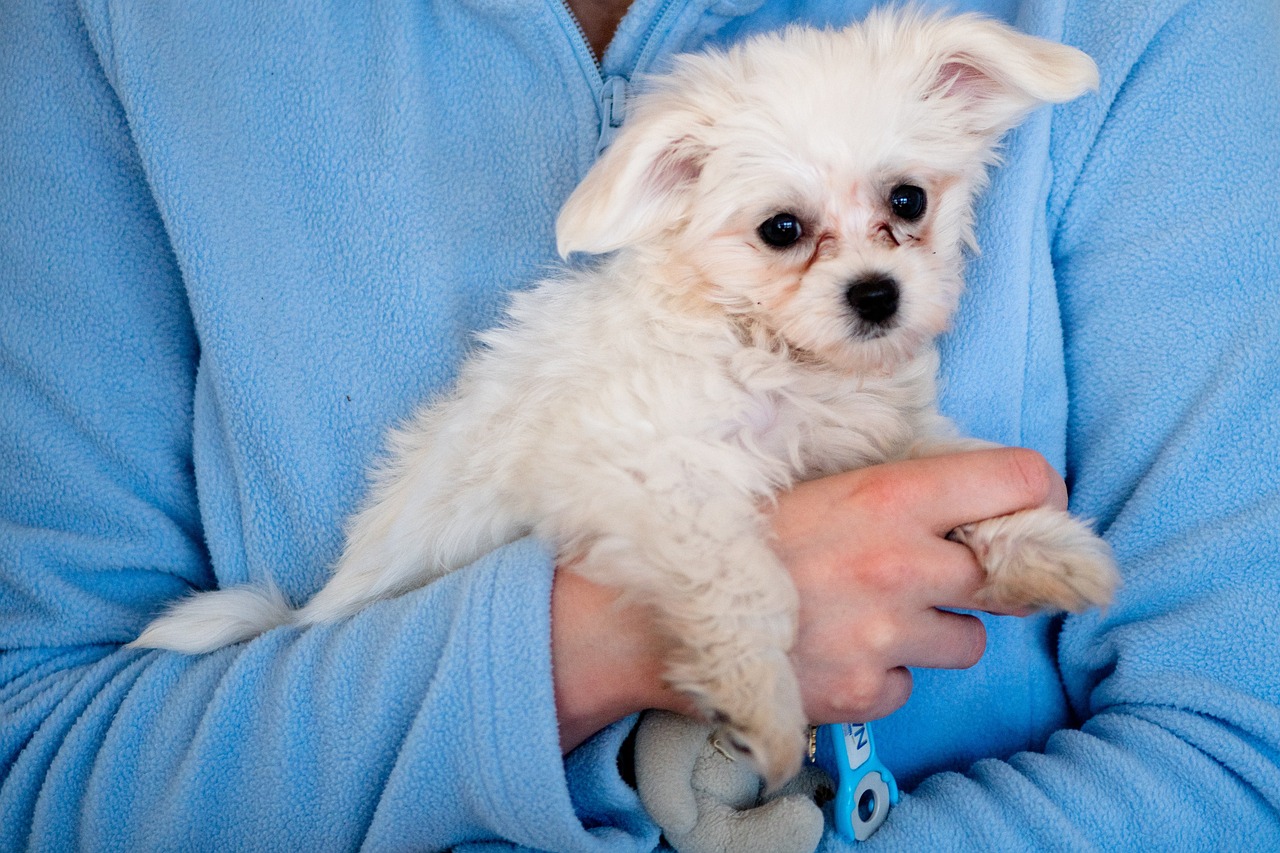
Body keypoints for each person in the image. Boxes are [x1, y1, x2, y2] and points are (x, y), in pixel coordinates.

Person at [1, 0, 1276, 849]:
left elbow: (1234, 758)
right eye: (787, 234)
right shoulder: (114, 33)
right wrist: (621, 645)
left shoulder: (1160, 31)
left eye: (903, 203)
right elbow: (40, 768)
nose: (869, 267)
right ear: (681, 201)